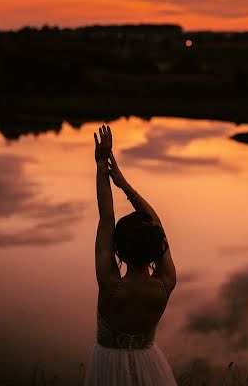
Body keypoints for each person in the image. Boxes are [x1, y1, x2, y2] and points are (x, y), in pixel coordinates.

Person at [84, 125, 178, 386]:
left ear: (119, 252)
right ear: (156, 250)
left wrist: (102, 164)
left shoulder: (110, 283)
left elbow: (106, 218)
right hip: (151, 367)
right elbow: (156, 225)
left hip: (106, 368)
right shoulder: (166, 283)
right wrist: (125, 185)